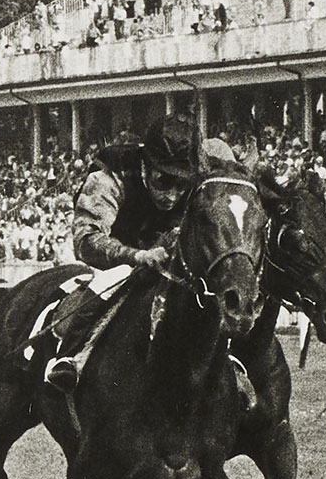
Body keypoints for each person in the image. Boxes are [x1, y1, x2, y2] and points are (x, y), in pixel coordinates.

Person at [30, 118, 256, 411]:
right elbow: (86, 240)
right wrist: (136, 256)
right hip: (120, 255)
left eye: (181, 184)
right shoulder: (108, 177)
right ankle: (74, 358)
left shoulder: (200, 169)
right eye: (163, 181)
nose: (172, 195)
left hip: (171, 256)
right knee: (115, 278)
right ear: (145, 166)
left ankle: (229, 360)